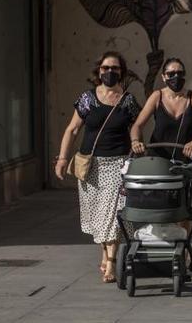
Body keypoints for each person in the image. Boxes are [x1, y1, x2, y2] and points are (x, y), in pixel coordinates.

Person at [54, 51, 141, 283]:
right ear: (98, 72)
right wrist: (62, 159)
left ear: (121, 72)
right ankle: (105, 252)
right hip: (90, 166)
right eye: (105, 68)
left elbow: (136, 126)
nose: (109, 72)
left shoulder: (128, 101)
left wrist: (135, 141)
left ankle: (112, 264)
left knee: (112, 214)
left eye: (114, 69)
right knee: (96, 215)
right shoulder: (87, 99)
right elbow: (72, 129)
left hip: (118, 164)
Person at [130, 57, 192, 161]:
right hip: (158, 159)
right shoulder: (157, 96)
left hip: (186, 158)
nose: (176, 77)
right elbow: (137, 125)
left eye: (180, 73)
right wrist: (135, 141)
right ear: (163, 77)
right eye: (171, 74)